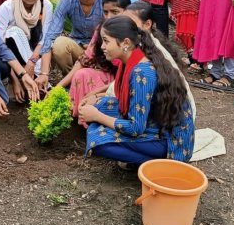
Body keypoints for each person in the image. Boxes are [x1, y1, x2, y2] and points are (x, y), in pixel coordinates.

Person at [78, 16, 194, 165]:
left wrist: (97, 116)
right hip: (156, 121)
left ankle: (160, 164)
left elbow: (135, 128)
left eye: (106, 41)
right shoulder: (132, 58)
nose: (102, 46)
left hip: (171, 141)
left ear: (125, 43)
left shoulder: (142, 72)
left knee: (98, 141)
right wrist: (96, 100)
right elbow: (126, 99)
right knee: (100, 105)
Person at [60, 0, 130, 121]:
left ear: (127, 11)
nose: (109, 17)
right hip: (109, 76)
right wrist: (58, 87)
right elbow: (84, 60)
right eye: (106, 12)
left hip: (126, 82)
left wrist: (96, 93)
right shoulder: (101, 29)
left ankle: (100, 118)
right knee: (81, 74)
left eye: (115, 12)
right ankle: (82, 118)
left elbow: (129, 75)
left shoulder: (131, 33)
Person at [37, 0, 104, 89]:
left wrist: (93, 48)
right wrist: (44, 73)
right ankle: (71, 82)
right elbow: (50, 36)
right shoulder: (67, 0)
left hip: (100, 52)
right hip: (77, 48)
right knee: (59, 44)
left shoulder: (105, 4)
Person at [126, 1, 197, 118]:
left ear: (147, 24)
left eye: (131, 23)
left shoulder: (148, 50)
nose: (125, 26)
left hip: (166, 114)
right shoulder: (143, 42)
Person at [0, 0, 53, 99]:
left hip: (36, 53)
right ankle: (15, 80)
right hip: (10, 56)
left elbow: (45, 39)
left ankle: (38, 81)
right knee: (13, 32)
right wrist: (16, 79)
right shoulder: (7, 7)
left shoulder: (46, 6)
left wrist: (32, 62)